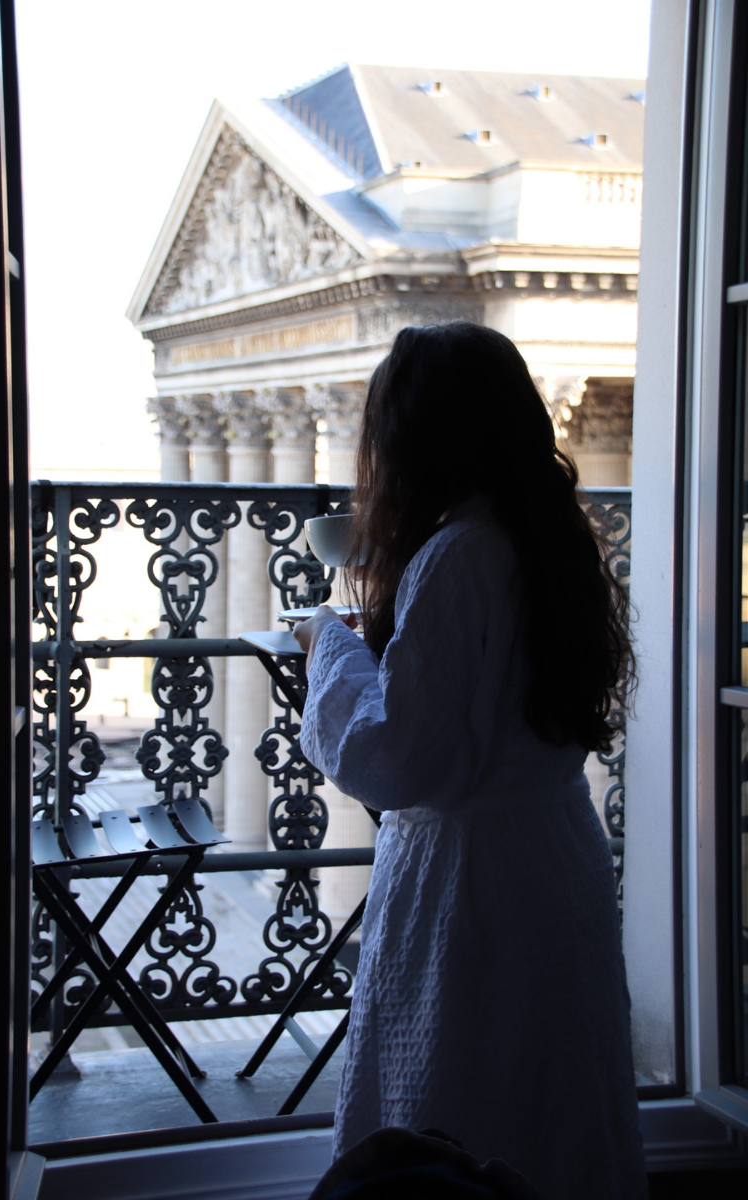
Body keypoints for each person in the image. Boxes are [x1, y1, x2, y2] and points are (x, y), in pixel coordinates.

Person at [292, 323, 648, 1200]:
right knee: (554, 1108)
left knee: (458, 1115)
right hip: (554, 859)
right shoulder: (550, 539)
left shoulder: (456, 554)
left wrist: (328, 646)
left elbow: (400, 759)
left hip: (470, 883)